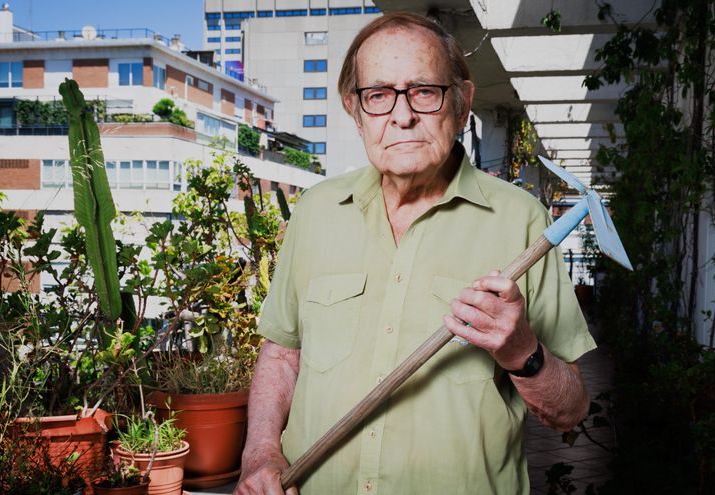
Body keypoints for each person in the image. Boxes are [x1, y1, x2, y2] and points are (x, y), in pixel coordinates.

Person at [235, 11, 595, 495]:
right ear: (355, 110)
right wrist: (260, 453)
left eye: (424, 91)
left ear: (462, 102)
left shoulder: (522, 221)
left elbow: (570, 410)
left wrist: (521, 351)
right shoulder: (316, 212)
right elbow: (282, 354)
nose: (402, 115)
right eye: (378, 95)